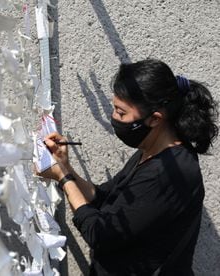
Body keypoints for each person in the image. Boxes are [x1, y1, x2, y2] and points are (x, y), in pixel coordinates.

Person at [39, 59, 218, 275]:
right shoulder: (151, 151)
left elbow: (101, 234)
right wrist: (66, 166)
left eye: (121, 113)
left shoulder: (169, 173)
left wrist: (63, 178)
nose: (113, 117)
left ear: (154, 119)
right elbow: (103, 196)